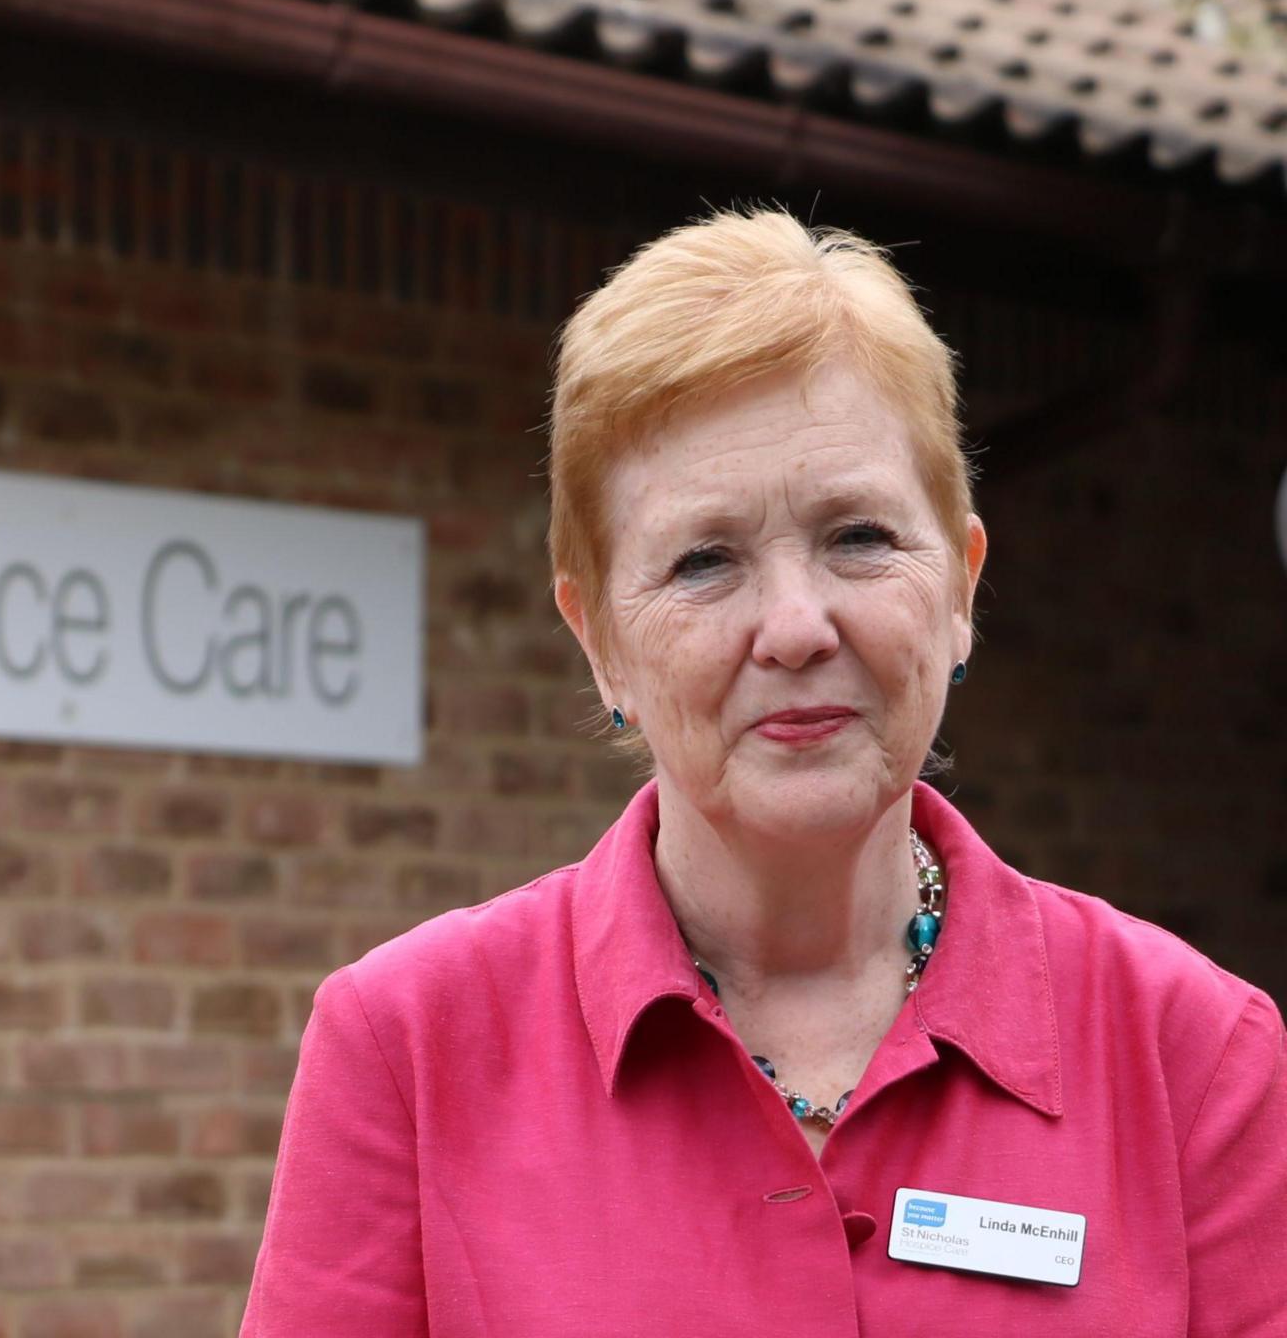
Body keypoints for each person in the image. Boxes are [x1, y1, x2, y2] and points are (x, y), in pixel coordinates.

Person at [239, 209, 1287, 1335]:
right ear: (597, 639)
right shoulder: (410, 1048)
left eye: (858, 538)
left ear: (962, 587)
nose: (794, 627)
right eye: (703, 560)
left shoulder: (1194, 1059)